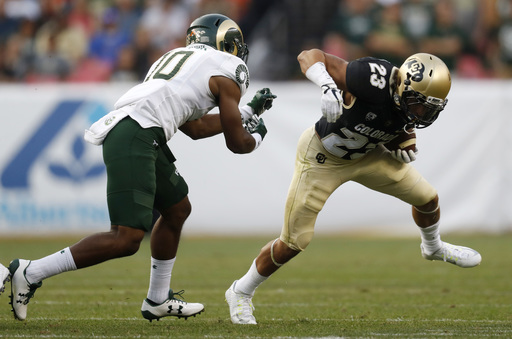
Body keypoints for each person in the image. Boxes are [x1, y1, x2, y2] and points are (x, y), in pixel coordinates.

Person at [7, 13, 276, 322]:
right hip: (138, 134)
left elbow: (196, 127)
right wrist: (255, 135)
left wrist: (243, 113)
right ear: (224, 43)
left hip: (136, 129)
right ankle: (30, 271)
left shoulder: (175, 57)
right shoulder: (228, 67)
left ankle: (158, 300)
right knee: (126, 238)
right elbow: (236, 143)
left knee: (176, 209)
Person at [225, 49, 482, 325]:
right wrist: (326, 85)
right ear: (401, 85)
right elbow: (307, 56)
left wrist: (403, 139)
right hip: (322, 157)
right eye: (419, 104)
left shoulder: (405, 104)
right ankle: (240, 291)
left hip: (368, 155)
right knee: (294, 242)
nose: (422, 112)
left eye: (430, 108)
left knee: (428, 198)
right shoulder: (373, 78)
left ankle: (433, 247)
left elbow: (398, 120)